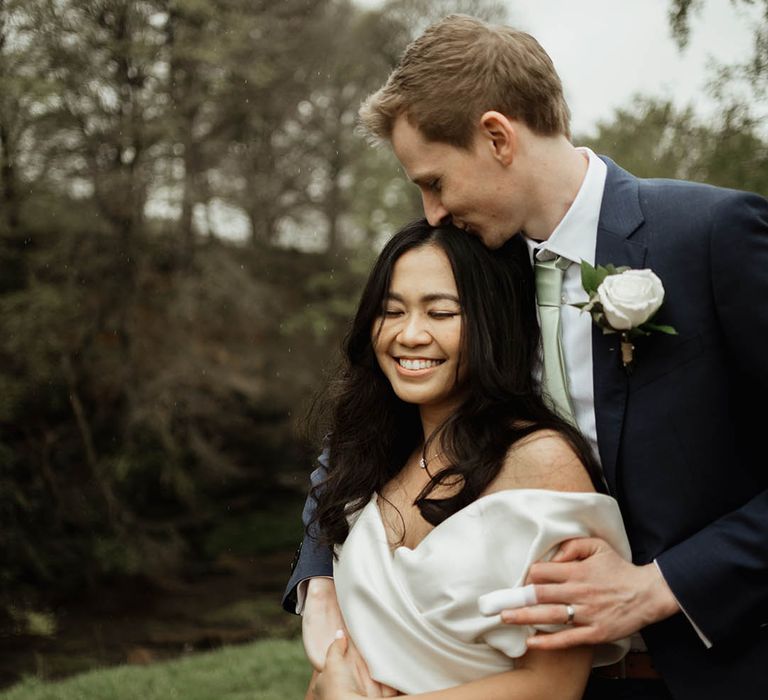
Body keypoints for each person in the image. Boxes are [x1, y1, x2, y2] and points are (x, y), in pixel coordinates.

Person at [284, 14, 768, 700]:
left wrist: (662, 586)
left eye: (435, 181)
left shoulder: (708, 237)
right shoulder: (475, 267)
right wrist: (321, 577)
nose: (430, 213)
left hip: (712, 675)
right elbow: (365, 429)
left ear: (496, 137)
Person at [300, 217, 632, 699]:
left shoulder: (542, 463)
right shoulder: (373, 459)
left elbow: (553, 685)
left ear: (491, 322)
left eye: (441, 313)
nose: (409, 334)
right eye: (391, 312)